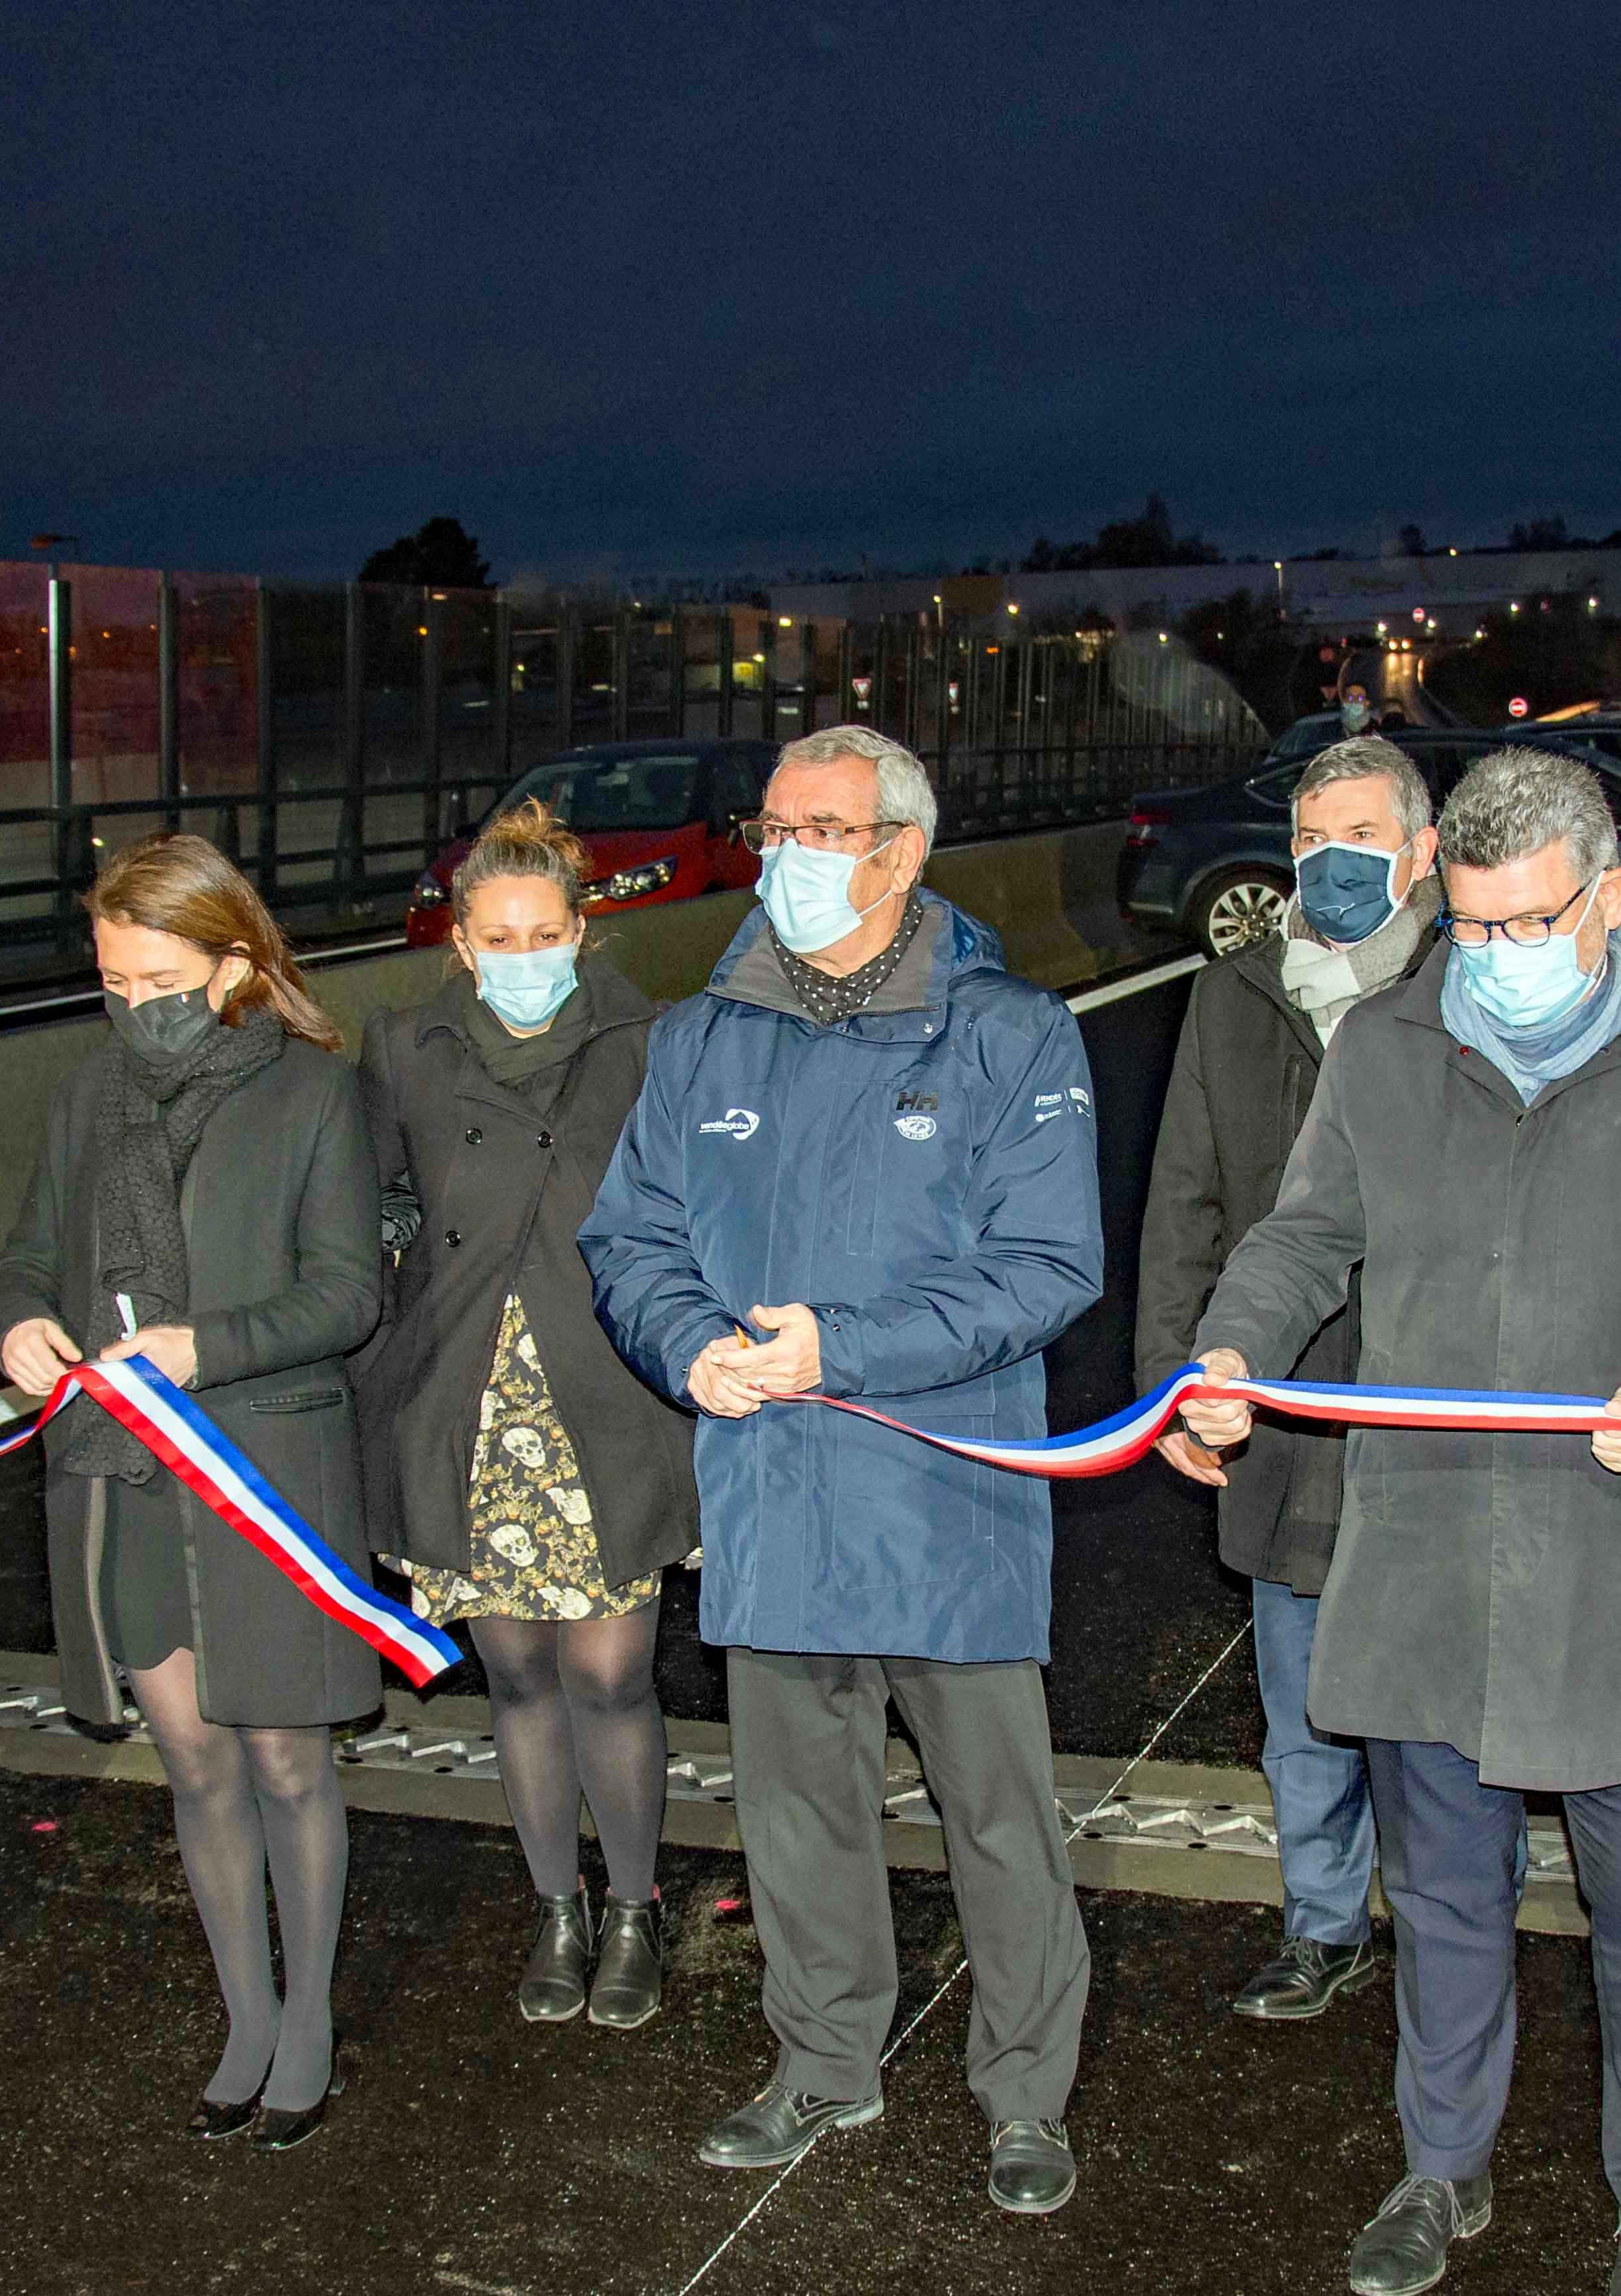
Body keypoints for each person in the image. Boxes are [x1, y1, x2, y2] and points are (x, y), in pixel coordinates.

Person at [1181, 749, 1621, 2296]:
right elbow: (1304, 1235)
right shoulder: (1392, 1047)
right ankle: (1440, 2168)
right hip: (1423, 1550)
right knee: (1446, 1898)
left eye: (1530, 927)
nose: (1496, 963)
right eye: (1470, 930)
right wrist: (1230, 1355)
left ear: (1608, 897)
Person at [580, 725, 1104, 2215]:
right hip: (772, 1482)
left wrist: (843, 1348)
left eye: (823, 829)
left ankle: (1024, 2094)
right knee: (796, 1813)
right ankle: (822, 2064)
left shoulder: (1009, 1032)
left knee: (997, 1814)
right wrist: (688, 1349)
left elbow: (1050, 1265)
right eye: (777, 827)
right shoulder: (703, 1035)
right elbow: (632, 1238)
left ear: (900, 853)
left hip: (946, 1489)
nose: (787, 855)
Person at [0, 834, 383, 2149]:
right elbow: (27, 1259)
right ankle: (247, 2014)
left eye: (158, 981)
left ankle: (313, 2015)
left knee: (283, 1752)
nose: (132, 1007)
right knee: (196, 1762)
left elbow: (346, 1293)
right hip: (127, 1476)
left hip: (266, 1471)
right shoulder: (84, 1093)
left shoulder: (313, 1094)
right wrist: (21, 1329)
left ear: (234, 966)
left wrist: (206, 1346)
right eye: (111, 982)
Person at [352, 799, 698, 2030]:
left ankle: (634, 1906)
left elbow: (692, 1208)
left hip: (601, 1388)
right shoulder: (403, 1046)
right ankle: (556, 1904)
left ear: (581, 931)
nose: (521, 955)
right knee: (514, 1675)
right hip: (464, 1391)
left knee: (610, 1672)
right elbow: (380, 1199)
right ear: (459, 941)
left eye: (542, 932)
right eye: (496, 938)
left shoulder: (653, 1042)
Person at [1136, 734, 1444, 2021]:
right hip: (1280, 1407)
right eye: (1312, 840)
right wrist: (1169, 1381)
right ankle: (1325, 1925)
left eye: (1362, 838)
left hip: (1437, 1415)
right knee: (1305, 1698)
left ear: (1424, 851)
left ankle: (1446, 1930)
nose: (1331, 863)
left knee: (1435, 1711)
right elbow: (1186, 1203)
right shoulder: (1233, 997)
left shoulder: (1470, 989)